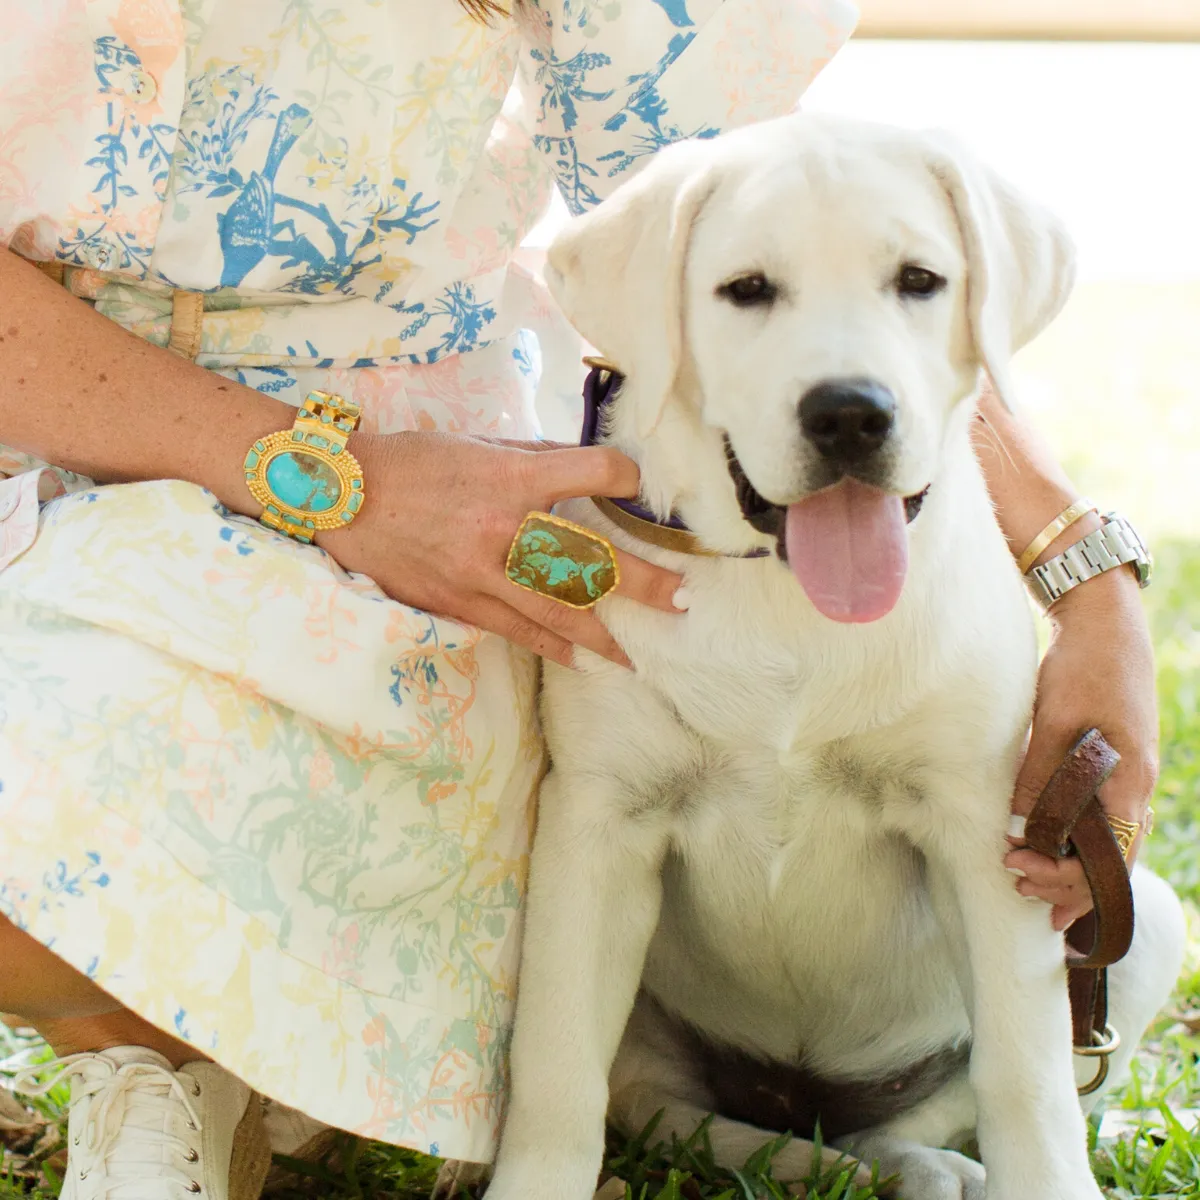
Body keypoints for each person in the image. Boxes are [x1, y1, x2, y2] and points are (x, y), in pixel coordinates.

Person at [0, 1, 1157, 1197]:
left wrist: (1089, 581)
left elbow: (781, 196)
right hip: (74, 435)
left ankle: (247, 1064)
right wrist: (333, 487)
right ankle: (156, 1060)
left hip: (460, 503)